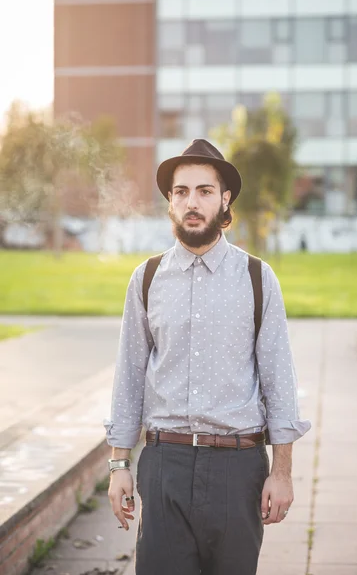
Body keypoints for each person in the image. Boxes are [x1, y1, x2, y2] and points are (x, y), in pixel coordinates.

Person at [103, 139, 311, 575]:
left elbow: (278, 379)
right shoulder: (147, 279)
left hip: (238, 470)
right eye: (181, 192)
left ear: (225, 199)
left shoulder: (257, 278)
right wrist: (120, 464)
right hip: (164, 467)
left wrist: (283, 472)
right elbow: (129, 375)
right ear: (170, 202)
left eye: (204, 191)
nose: (191, 202)